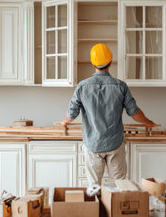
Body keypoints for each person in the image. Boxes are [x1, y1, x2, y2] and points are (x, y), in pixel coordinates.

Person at [61, 43, 156, 189]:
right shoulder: (120, 86)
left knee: (94, 187)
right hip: (115, 145)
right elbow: (134, 113)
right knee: (121, 185)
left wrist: (64, 122)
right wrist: (149, 123)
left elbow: (71, 114)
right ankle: (120, 211)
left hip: (93, 145)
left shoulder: (82, 86)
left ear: (93, 63)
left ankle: (97, 211)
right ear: (110, 63)